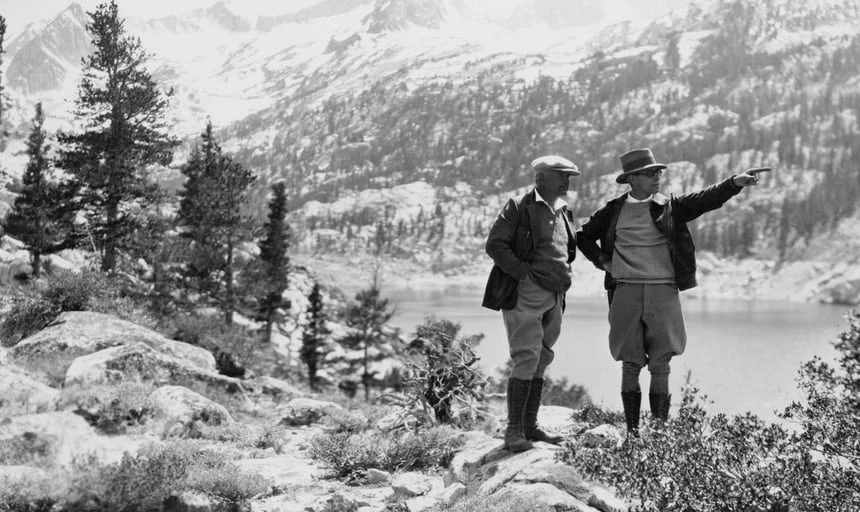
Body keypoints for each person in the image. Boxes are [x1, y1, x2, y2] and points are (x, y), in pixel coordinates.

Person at [576, 147, 769, 437]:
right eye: (650, 173)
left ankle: (659, 435)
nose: (657, 177)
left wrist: (734, 183)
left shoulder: (670, 206)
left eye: (659, 172)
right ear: (632, 178)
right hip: (625, 290)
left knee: (661, 362)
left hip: (664, 290)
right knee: (630, 362)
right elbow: (583, 236)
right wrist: (604, 262)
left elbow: (705, 199)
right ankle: (632, 434)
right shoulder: (613, 211)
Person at [482, 155, 581, 452]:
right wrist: (524, 274)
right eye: (561, 176)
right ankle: (514, 433)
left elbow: (567, 252)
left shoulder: (564, 211)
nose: (567, 181)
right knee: (527, 357)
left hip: (555, 295)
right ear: (541, 178)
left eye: (569, 177)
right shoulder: (519, 207)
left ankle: (530, 426)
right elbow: (495, 245)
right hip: (527, 292)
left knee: (543, 357)